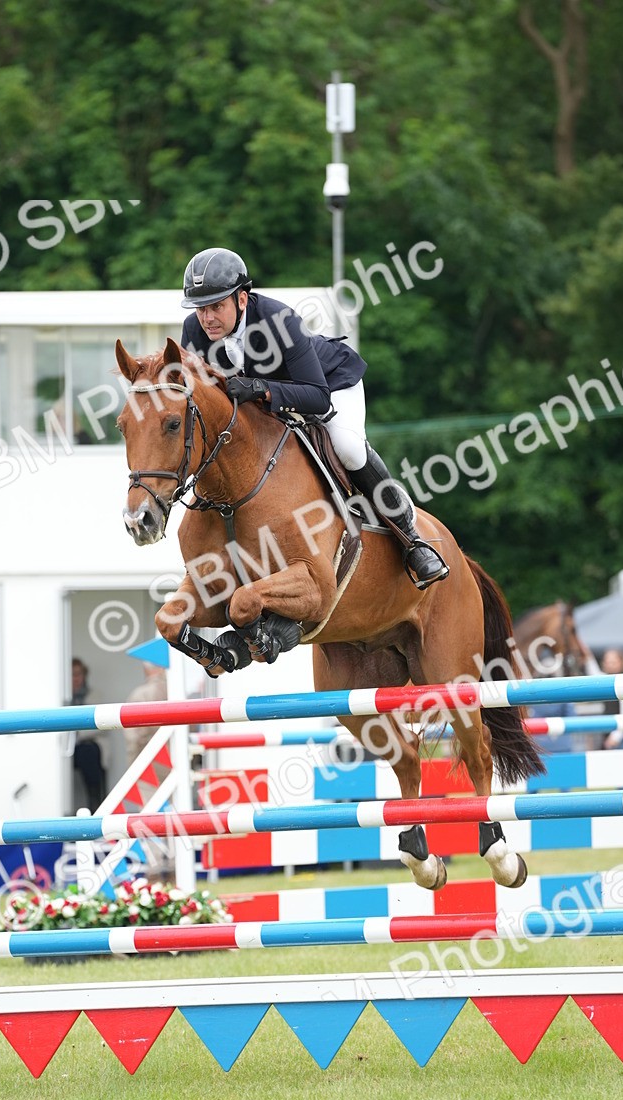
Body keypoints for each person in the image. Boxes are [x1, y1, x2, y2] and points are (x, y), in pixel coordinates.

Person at [180, 246, 449, 588]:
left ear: (242, 299)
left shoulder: (281, 320)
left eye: (216, 306)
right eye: (201, 309)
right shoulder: (194, 331)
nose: (208, 319)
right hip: (269, 408)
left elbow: (317, 396)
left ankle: (411, 540)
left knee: (348, 447)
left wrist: (261, 388)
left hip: (330, 384)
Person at [70, 658, 107, 812]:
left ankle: (96, 804)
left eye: (78, 674)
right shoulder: (59, 697)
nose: (75, 678)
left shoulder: (95, 695)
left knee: (89, 752)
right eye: (71, 675)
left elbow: (98, 725)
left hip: (86, 746)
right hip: (66, 749)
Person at [123, 664, 168, 765]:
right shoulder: (180, 692)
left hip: (150, 765)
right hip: (181, 762)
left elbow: (134, 737)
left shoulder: (140, 695)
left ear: (145, 670)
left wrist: (133, 764)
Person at [600, 648, 623, 750]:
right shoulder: (605, 680)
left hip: (620, 736)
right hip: (607, 733)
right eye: (607, 662)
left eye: (613, 662)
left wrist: (615, 737)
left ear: (621, 663)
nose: (609, 665)